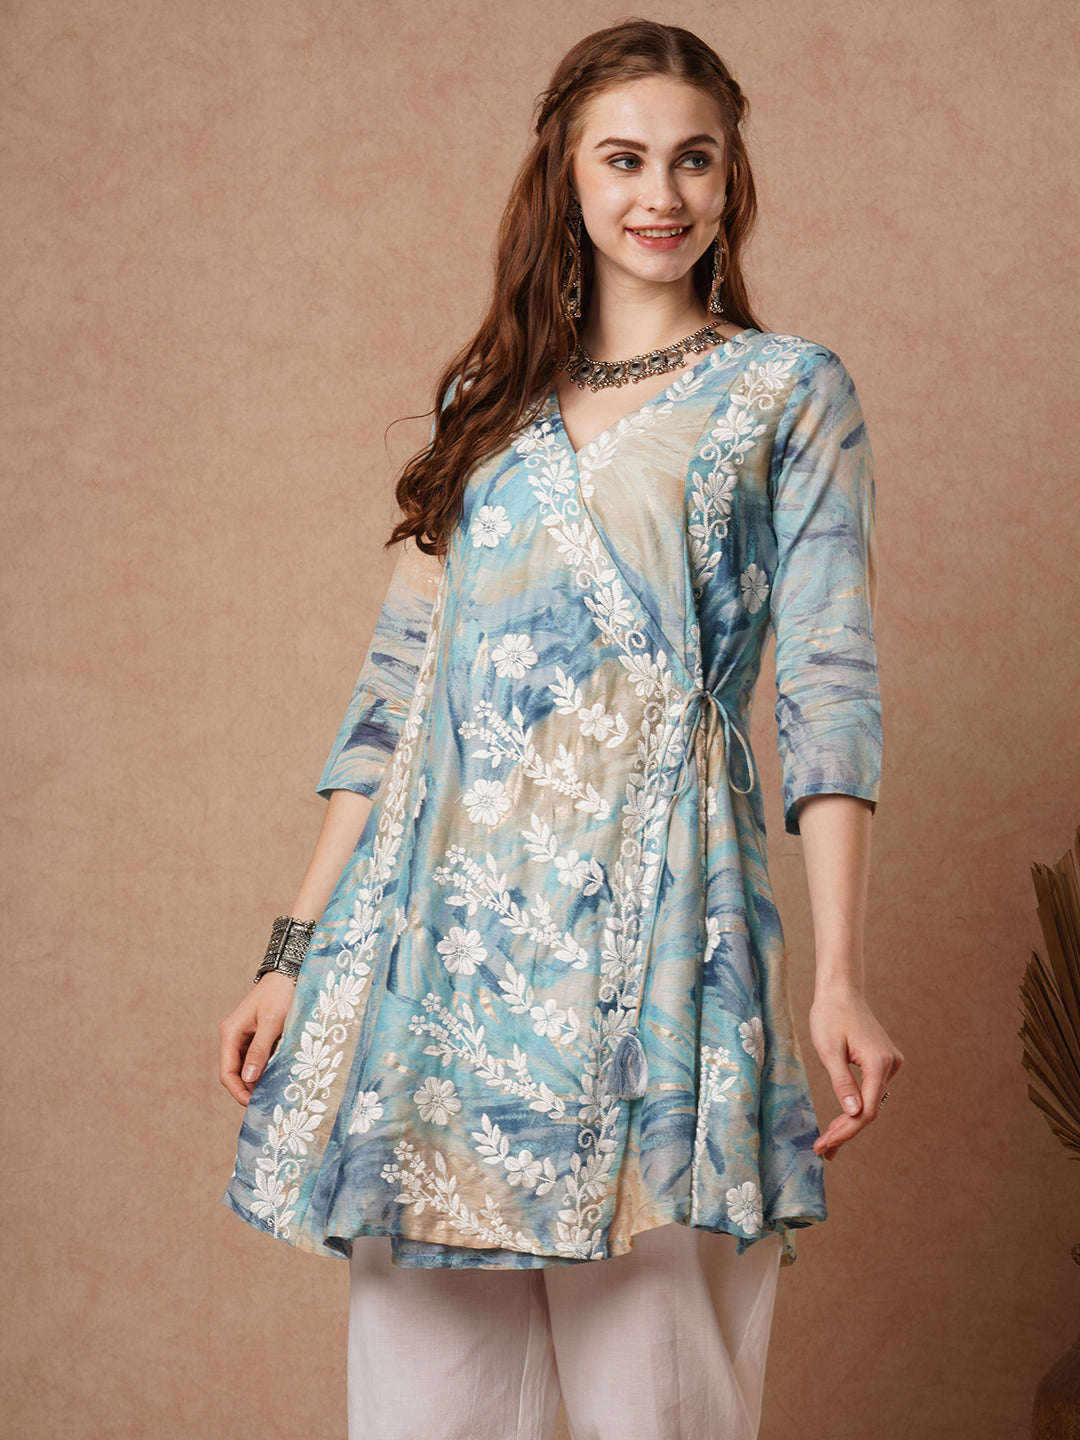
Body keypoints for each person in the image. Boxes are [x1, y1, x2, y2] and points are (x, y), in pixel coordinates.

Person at [219, 19, 904, 1440]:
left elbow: (829, 686)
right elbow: (397, 697)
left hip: (664, 940)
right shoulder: (486, 409)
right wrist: (292, 950)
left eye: (694, 159)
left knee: (658, 1401)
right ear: (569, 177)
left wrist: (840, 977)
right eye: (625, 159)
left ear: (731, 179)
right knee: (430, 1410)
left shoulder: (787, 391)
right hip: (442, 958)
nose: (662, 193)